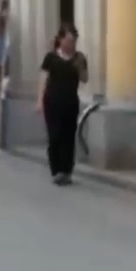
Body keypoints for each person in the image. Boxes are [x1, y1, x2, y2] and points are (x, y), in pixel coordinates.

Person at [41, 24, 87, 187]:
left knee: (68, 137)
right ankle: (56, 170)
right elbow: (43, 79)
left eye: (73, 41)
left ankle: (67, 171)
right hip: (52, 101)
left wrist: (80, 67)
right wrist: (39, 100)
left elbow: (85, 79)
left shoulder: (79, 58)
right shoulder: (51, 57)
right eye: (68, 40)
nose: (71, 44)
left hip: (71, 102)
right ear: (60, 40)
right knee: (54, 136)